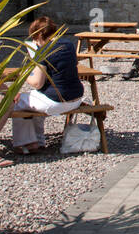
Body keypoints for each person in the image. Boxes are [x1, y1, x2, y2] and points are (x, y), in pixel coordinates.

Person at [9, 15, 85, 153]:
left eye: (34, 37)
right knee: (34, 99)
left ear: (38, 35)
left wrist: (23, 75)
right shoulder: (68, 44)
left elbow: (37, 83)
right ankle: (38, 140)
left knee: (18, 101)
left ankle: (27, 143)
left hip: (57, 102)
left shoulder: (43, 50)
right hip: (76, 98)